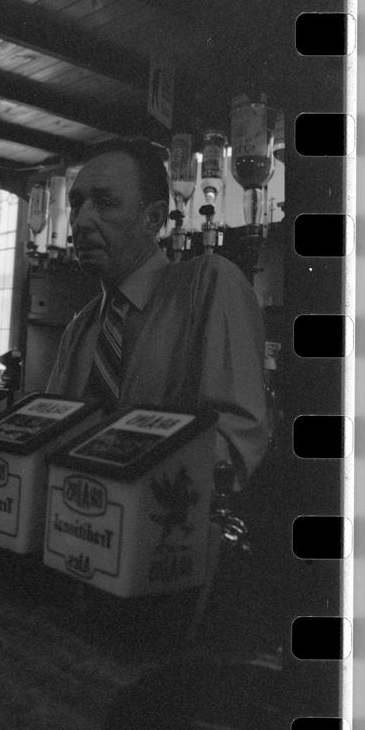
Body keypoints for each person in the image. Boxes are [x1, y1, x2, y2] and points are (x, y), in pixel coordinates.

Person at [46, 138, 268, 488]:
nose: (82, 220)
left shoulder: (208, 284)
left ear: (153, 218)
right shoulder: (81, 329)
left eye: (105, 202)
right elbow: (53, 437)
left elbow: (233, 442)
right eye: (76, 203)